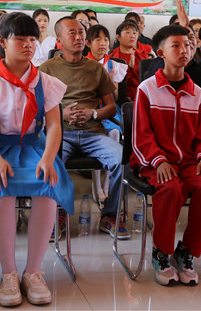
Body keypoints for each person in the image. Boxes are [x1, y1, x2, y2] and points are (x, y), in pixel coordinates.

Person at [0, 13, 73, 307]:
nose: (28, 45)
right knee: (1, 189)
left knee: (47, 188)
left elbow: (54, 126)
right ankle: (9, 273)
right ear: (2, 41)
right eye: (20, 39)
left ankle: (33, 272)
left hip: (37, 149)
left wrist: (49, 158)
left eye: (32, 39)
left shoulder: (46, 82)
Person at [132, 24, 201, 287]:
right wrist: (158, 160)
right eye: (176, 45)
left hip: (190, 162)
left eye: (187, 45)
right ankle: (161, 251)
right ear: (160, 52)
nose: (184, 50)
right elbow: (141, 136)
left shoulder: (197, 93)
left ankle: (187, 251)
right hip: (155, 162)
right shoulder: (147, 89)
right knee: (171, 189)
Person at [39, 17, 127, 239]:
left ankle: (110, 215)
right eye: (72, 33)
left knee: (122, 160)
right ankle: (57, 214)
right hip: (61, 133)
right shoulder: (47, 69)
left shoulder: (96, 69)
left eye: (81, 32)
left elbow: (111, 107)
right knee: (51, 162)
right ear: (59, 40)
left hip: (93, 133)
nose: (79, 37)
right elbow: (36, 108)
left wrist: (93, 113)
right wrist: (61, 114)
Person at [110, 20, 151, 101]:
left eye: (135, 33)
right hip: (120, 99)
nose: (132, 36)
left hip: (141, 97)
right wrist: (129, 69)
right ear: (118, 37)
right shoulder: (112, 58)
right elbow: (115, 85)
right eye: (127, 32)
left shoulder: (143, 56)